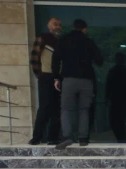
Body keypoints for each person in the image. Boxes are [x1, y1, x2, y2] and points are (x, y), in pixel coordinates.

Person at [52, 18, 103, 149]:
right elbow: (99, 60)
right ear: (84, 29)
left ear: (74, 27)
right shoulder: (88, 41)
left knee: (66, 109)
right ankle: (83, 138)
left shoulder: (63, 40)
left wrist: (56, 77)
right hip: (86, 80)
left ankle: (67, 136)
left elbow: (55, 59)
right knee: (84, 109)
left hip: (68, 79)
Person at [29, 17, 62, 145]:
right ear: (49, 26)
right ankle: (37, 137)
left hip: (58, 77)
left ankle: (53, 138)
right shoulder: (43, 38)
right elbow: (34, 58)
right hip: (46, 76)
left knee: (56, 109)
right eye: (55, 24)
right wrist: (40, 75)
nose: (57, 26)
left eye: (59, 24)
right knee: (45, 107)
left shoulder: (60, 41)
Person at [105, 53, 126, 143]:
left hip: (117, 99)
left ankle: (121, 139)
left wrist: (106, 98)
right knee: (120, 120)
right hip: (123, 99)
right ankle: (122, 139)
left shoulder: (113, 71)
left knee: (116, 120)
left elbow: (108, 87)